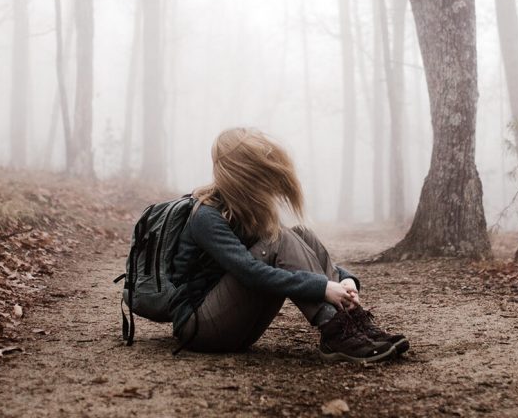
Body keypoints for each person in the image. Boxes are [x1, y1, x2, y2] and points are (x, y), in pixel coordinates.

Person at [169, 127, 409, 363]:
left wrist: (345, 280)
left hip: (234, 325)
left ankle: (354, 323)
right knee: (280, 239)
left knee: (300, 233)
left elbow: (298, 256)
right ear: (239, 172)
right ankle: (335, 332)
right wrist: (322, 288)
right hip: (199, 328)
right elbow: (250, 272)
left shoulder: (247, 209)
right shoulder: (206, 216)